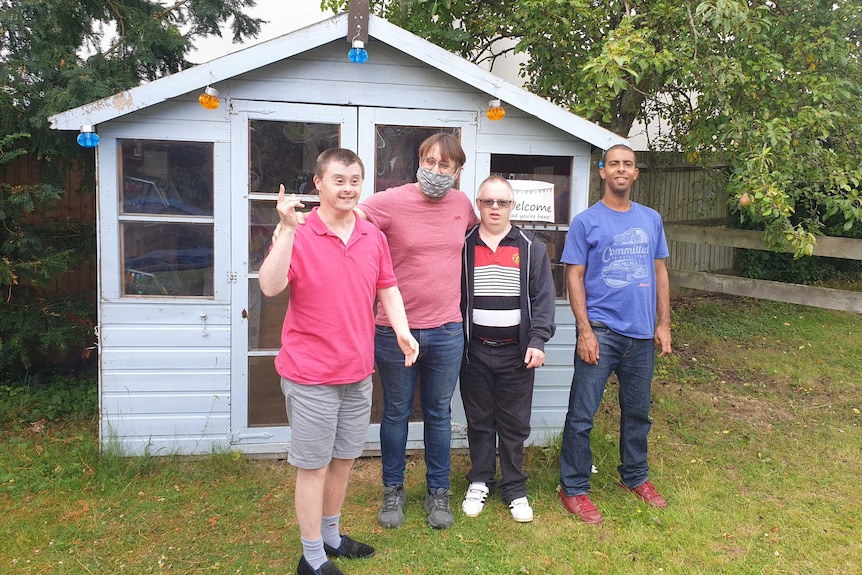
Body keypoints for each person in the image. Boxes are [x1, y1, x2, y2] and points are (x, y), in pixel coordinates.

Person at [258, 148, 419, 575]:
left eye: (354, 180)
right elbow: (270, 286)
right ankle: (311, 557)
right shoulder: (298, 232)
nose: (347, 188)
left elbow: (388, 288)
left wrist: (402, 330)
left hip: (357, 371)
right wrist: (287, 230)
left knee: (344, 460)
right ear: (319, 183)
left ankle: (330, 535)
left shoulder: (373, 237)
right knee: (313, 466)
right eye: (338, 179)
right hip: (310, 374)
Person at [356, 133, 478, 530]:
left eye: (445, 165)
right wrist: (293, 227)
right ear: (419, 162)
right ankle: (393, 489)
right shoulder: (388, 202)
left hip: (446, 329)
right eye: (429, 161)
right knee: (395, 413)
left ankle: (437, 491)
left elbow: (481, 238)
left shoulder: (462, 205)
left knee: (439, 414)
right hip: (394, 330)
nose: (436, 170)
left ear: (457, 171)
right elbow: (346, 220)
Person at [558, 144, 672, 525]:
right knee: (582, 415)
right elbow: (573, 275)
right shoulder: (586, 221)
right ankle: (573, 488)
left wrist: (664, 323)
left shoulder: (651, 219)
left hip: (641, 336)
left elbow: (659, 271)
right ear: (602, 171)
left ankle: (635, 477)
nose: (621, 170)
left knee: (638, 413)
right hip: (602, 332)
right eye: (614, 164)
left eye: (628, 164)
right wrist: (584, 330)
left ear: (636, 173)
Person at [459, 176, 556, 523]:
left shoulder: (531, 247)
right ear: (479, 204)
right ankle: (481, 480)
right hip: (474, 352)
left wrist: (538, 340)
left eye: (502, 202)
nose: (495, 208)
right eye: (488, 202)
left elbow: (543, 300)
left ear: (512, 206)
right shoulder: (465, 245)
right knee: (480, 421)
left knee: (514, 424)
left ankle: (515, 487)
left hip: (517, 354)